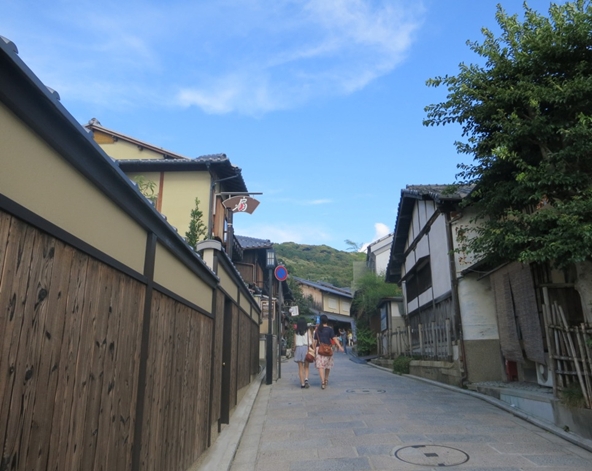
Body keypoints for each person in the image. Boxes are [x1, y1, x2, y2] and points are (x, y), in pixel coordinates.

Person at [314, 314, 344, 389]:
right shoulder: (330, 329)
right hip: (328, 349)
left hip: (319, 349)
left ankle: (323, 382)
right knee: (327, 366)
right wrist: (340, 346)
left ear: (320, 321)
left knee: (320, 366)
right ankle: (326, 379)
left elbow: (315, 341)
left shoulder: (317, 330)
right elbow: (334, 338)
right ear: (327, 321)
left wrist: (314, 350)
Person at [293, 318, 312, 388]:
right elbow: (310, 339)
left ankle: (302, 384)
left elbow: (295, 343)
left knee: (300, 368)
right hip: (306, 348)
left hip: (298, 349)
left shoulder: (296, 332)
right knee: (306, 366)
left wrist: (294, 349)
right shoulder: (308, 330)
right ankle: (306, 379)